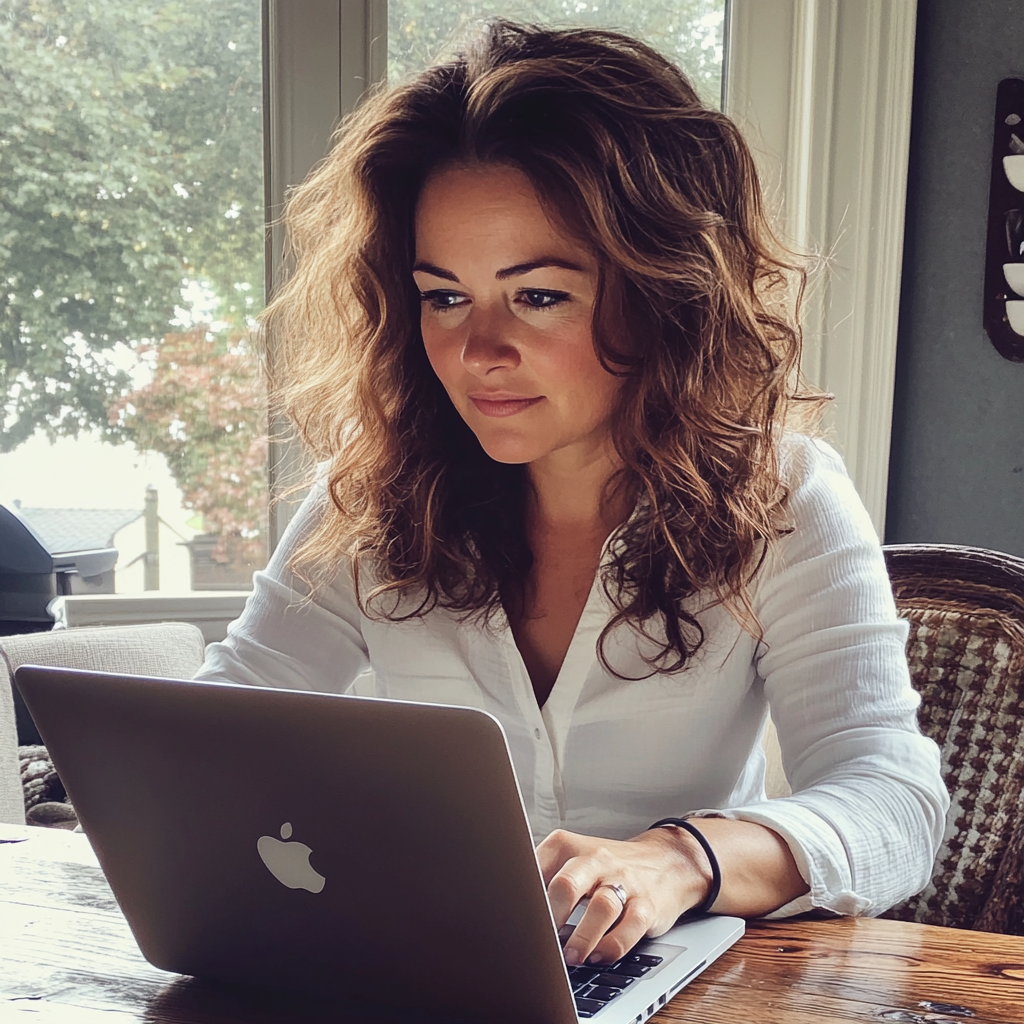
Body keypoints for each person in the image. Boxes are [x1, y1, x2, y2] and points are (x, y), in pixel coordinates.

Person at [196, 21, 948, 968]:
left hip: (677, 985)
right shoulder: (372, 497)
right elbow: (213, 737)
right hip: (417, 974)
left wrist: (680, 860)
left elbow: (893, 799)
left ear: (664, 290)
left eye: (539, 295)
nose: (478, 351)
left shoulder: (782, 496)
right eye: (443, 295)